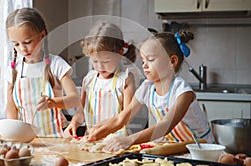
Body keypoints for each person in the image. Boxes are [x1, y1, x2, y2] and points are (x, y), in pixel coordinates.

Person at [87, 31, 215, 151]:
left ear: (172, 61)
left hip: (202, 150)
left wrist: (130, 140)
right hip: (175, 148)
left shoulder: (182, 92)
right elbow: (121, 118)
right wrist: (100, 131)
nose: (144, 65)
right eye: (143, 60)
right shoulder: (147, 88)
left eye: (151, 60)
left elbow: (165, 125)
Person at [5, 8, 80, 137]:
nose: (22, 49)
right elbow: (12, 108)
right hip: (27, 141)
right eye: (16, 44)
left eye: (27, 42)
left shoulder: (56, 65)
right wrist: (13, 135)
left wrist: (53, 103)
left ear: (42, 35)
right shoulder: (14, 70)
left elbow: (74, 100)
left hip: (55, 139)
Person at [64, 21, 136, 137]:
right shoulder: (89, 80)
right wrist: (73, 123)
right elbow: (81, 112)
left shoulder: (125, 78)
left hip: (117, 141)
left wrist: (105, 126)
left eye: (105, 61)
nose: (100, 66)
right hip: (91, 141)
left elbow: (128, 116)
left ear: (120, 54)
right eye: (95, 61)